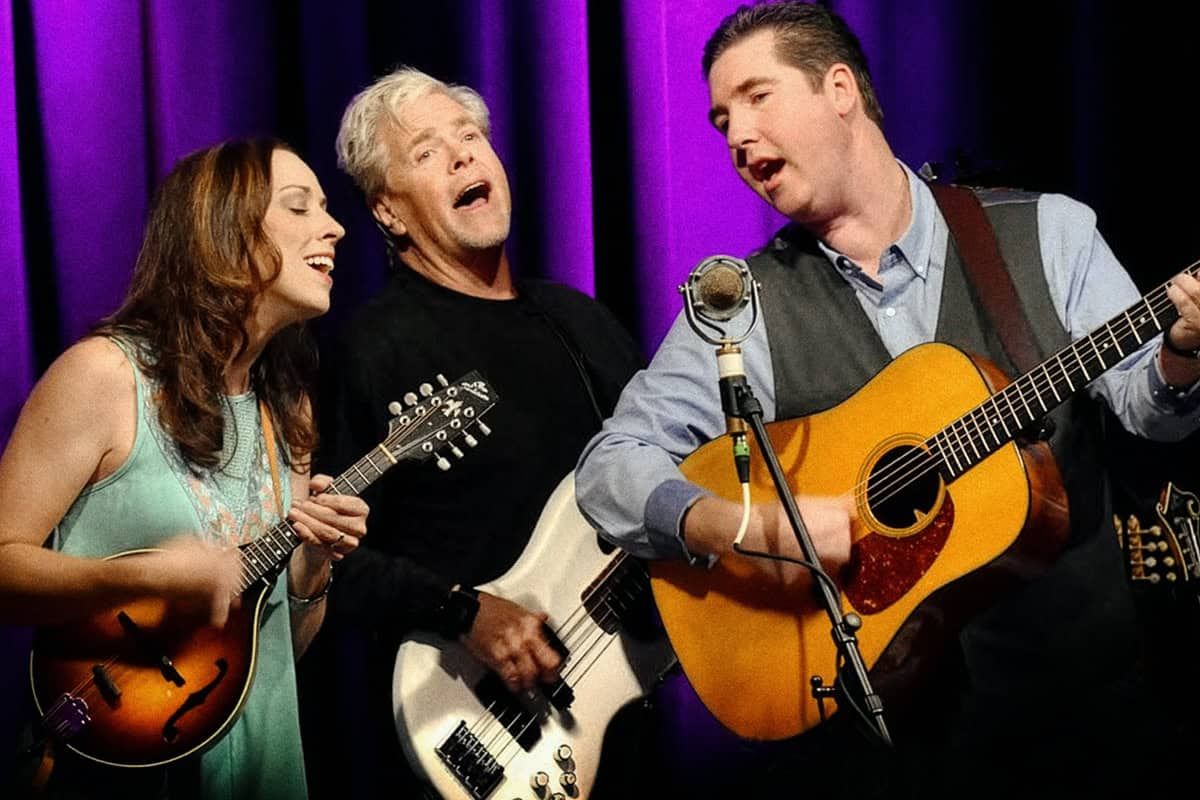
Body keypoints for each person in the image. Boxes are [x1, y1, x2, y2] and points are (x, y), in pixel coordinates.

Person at [576, 2, 1200, 797]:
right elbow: (610, 467)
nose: (736, 137)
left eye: (757, 98)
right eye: (722, 120)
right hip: (892, 757)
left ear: (839, 89)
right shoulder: (747, 306)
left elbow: (1150, 408)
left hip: (1089, 724)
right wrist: (748, 527)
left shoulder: (1048, 232)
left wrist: (1182, 352)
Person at [301, 67, 643, 798]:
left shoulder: (581, 321)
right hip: (467, 724)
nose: (463, 156)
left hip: (618, 716)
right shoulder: (369, 350)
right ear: (388, 212)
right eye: (427, 152)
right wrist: (460, 611)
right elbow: (326, 562)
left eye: (470, 137)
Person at [0, 138, 369, 799]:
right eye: (299, 206)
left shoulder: (288, 409)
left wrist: (314, 568)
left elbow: (275, 652)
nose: (335, 227)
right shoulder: (105, 376)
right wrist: (147, 576)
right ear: (224, 231)